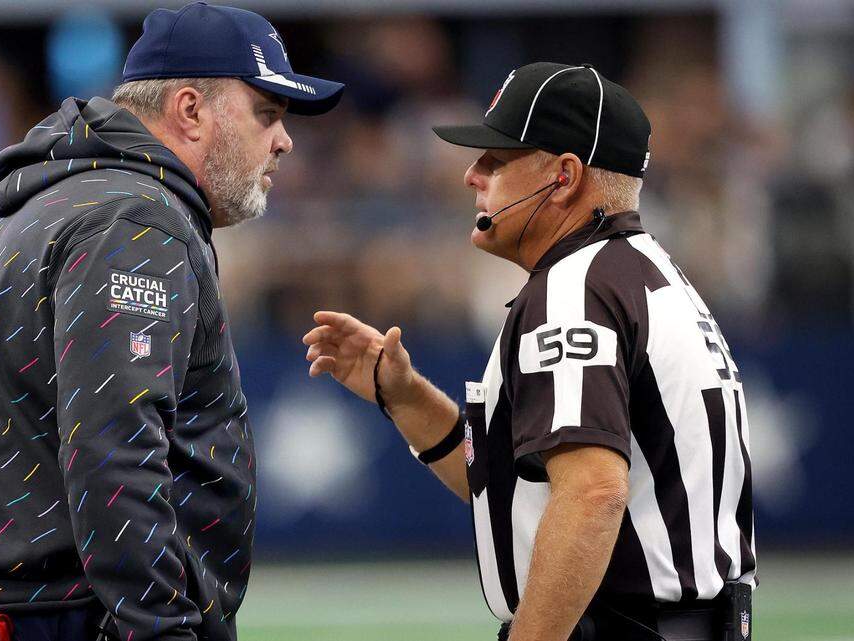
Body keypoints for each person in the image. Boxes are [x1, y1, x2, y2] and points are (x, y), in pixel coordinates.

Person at [0, 3, 343, 641]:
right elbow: (114, 450)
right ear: (190, 110)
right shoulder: (133, 220)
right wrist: (163, 630)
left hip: (9, 607)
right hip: (61, 617)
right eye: (267, 113)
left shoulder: (51, 198)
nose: (284, 140)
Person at [303, 62, 755, 641]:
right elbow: (523, 487)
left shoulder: (574, 288)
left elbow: (592, 493)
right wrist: (406, 397)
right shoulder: (644, 272)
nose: (471, 175)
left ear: (564, 175)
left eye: (496, 159)